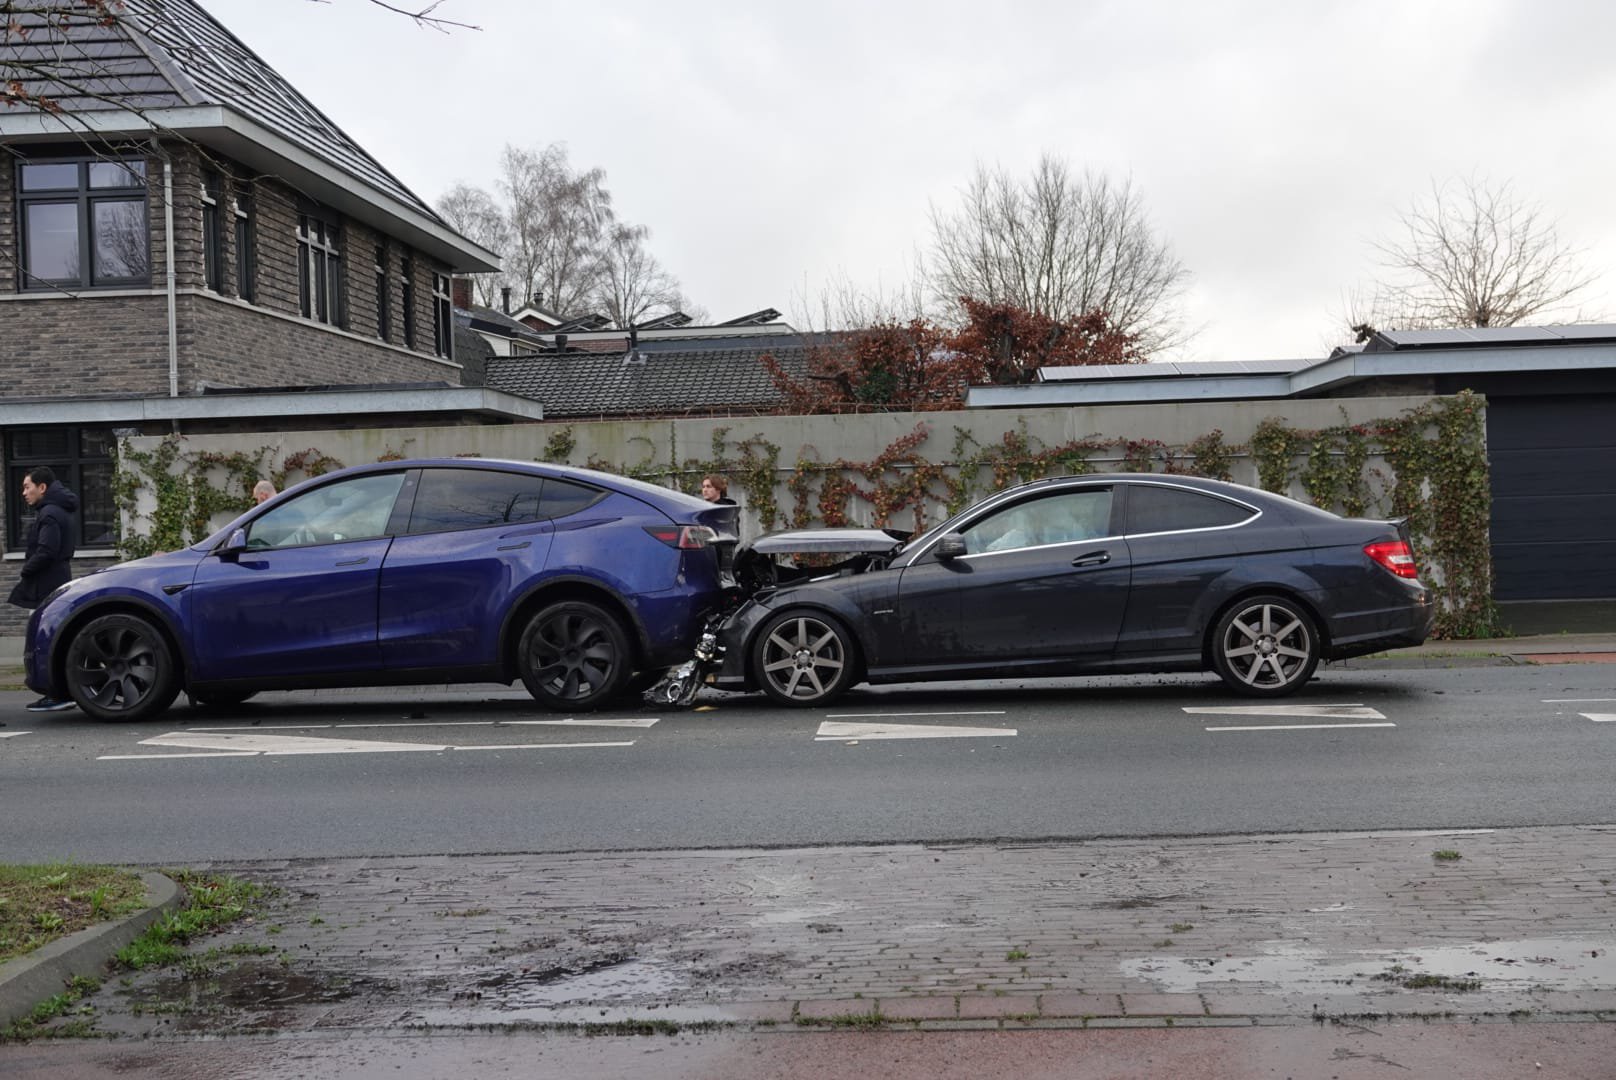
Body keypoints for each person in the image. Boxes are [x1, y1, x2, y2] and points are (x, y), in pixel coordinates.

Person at [8, 466, 79, 712]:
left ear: (42, 487)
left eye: (27, 487)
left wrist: (26, 570)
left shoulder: (49, 513)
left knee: (44, 639)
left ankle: (57, 693)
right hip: (57, 579)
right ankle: (62, 692)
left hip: (46, 585)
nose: (23, 493)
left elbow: (47, 550)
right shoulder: (60, 510)